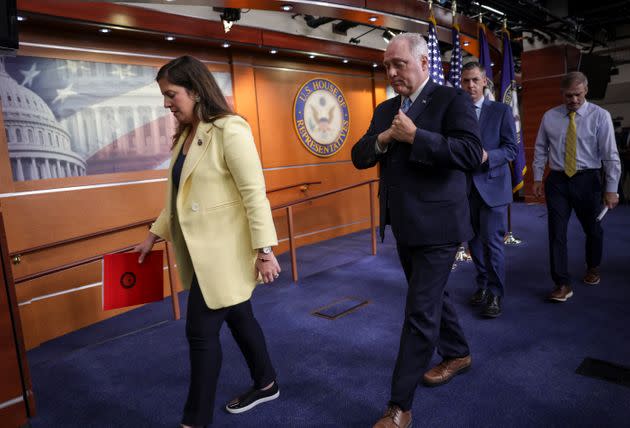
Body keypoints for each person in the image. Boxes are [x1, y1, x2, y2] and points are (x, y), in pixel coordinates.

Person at [134, 55, 282, 427]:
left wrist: (265, 251)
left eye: (171, 95)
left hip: (226, 255)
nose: (166, 104)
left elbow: (254, 193)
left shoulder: (230, 129)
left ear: (196, 91)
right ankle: (266, 383)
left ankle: (194, 421)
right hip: (199, 256)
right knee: (240, 317)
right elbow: (177, 200)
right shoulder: (185, 136)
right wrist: (153, 234)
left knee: (200, 333)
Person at [351, 33, 483, 428]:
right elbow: (359, 155)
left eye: (399, 64)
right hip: (403, 225)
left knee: (419, 312)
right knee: (432, 296)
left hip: (439, 227)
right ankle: (458, 352)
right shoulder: (385, 108)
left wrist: (417, 137)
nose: (391, 72)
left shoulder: (452, 100)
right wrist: (386, 137)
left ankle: (399, 407)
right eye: (387, 65)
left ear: (424, 63)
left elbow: (471, 154)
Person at [532, 71, 621, 302]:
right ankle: (562, 283)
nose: (573, 100)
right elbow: (541, 149)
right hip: (558, 180)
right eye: (568, 96)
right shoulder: (549, 117)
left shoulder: (600, 116)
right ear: (562, 94)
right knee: (556, 233)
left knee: (592, 229)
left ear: (586, 90)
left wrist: (611, 188)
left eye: (578, 95)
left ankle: (593, 266)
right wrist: (538, 178)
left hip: (588, 179)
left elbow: (610, 155)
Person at [461, 62, 518, 318]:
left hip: (493, 186)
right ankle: (483, 284)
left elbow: (511, 149)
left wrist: (488, 156)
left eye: (475, 80)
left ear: (484, 81)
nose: (470, 85)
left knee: (493, 242)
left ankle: (495, 292)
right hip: (465, 189)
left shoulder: (501, 111)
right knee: (473, 241)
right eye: (465, 81)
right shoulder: (457, 111)